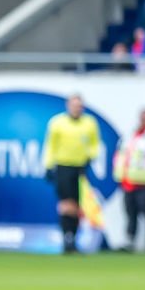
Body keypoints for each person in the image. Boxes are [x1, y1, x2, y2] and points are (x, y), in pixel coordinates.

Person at [42, 94, 101, 254]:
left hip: (80, 167)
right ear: (68, 106)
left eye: (79, 106)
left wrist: (91, 157)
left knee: (77, 204)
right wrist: (48, 165)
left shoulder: (89, 123)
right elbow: (50, 146)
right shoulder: (57, 123)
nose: (77, 108)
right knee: (65, 203)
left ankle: (73, 237)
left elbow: (95, 144)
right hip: (62, 166)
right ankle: (66, 236)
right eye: (74, 105)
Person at [113, 108, 145, 249]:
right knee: (130, 214)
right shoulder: (131, 135)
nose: (143, 121)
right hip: (129, 182)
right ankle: (130, 241)